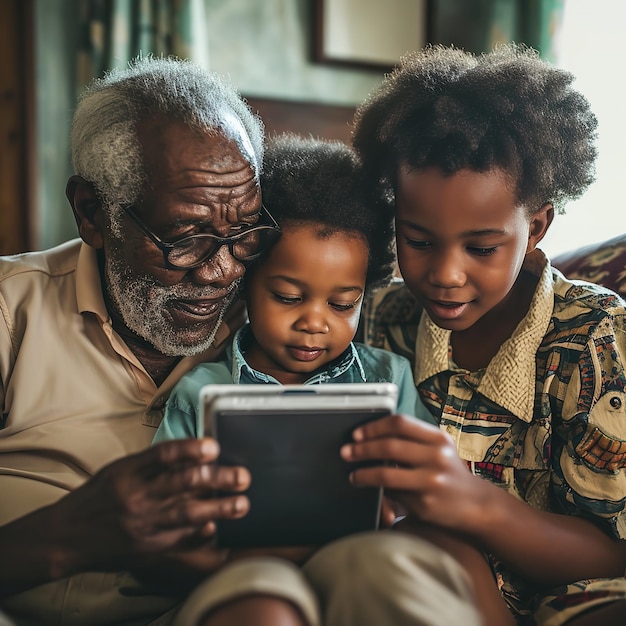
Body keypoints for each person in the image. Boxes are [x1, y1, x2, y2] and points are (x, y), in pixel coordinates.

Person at [0, 56, 485, 626]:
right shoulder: (12, 312)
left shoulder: (276, 316)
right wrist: (70, 536)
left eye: (245, 234)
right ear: (92, 212)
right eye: (185, 238)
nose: (220, 273)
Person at [345, 43, 626, 626]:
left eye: (481, 248)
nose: (445, 275)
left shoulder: (596, 340)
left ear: (538, 225)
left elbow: (615, 552)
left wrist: (473, 505)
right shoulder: (373, 322)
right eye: (418, 241)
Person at [155, 134, 429, 444]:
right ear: (245, 279)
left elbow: (429, 481)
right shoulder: (199, 394)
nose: (313, 323)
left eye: (342, 304)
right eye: (288, 298)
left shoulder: (390, 380)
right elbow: (167, 489)